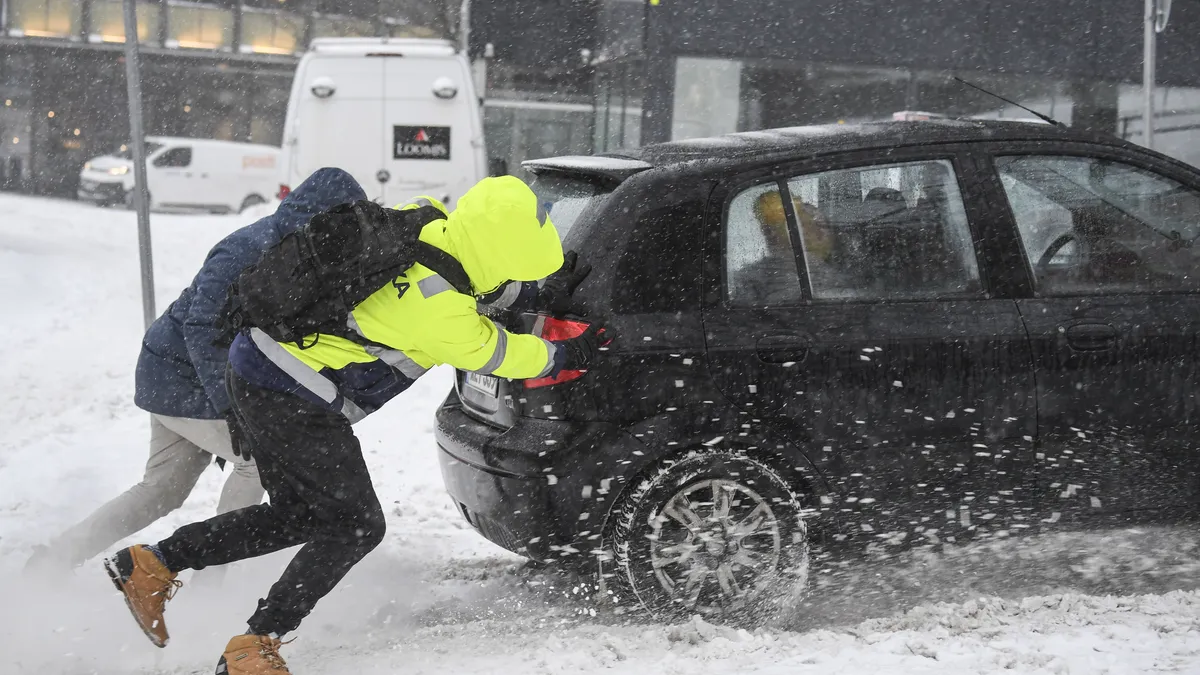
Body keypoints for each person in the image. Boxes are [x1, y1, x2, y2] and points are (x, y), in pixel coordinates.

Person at [101, 175, 607, 674]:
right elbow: (504, 351)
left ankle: (151, 564)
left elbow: (473, 279)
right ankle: (254, 646)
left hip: (259, 365)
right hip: (290, 394)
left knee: (301, 516)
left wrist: (537, 290)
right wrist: (566, 351)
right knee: (355, 526)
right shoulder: (439, 313)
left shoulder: (430, 219)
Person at [24, 167, 368, 577]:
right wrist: (232, 408)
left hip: (189, 375)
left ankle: (54, 559)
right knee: (259, 461)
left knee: (161, 491)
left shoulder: (301, 250)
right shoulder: (249, 250)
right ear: (318, 217)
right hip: (179, 374)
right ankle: (211, 581)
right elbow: (201, 326)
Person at [733, 190, 834, 305]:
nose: (770, 234)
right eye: (767, 229)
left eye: (821, 225)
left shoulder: (747, 278)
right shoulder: (748, 280)